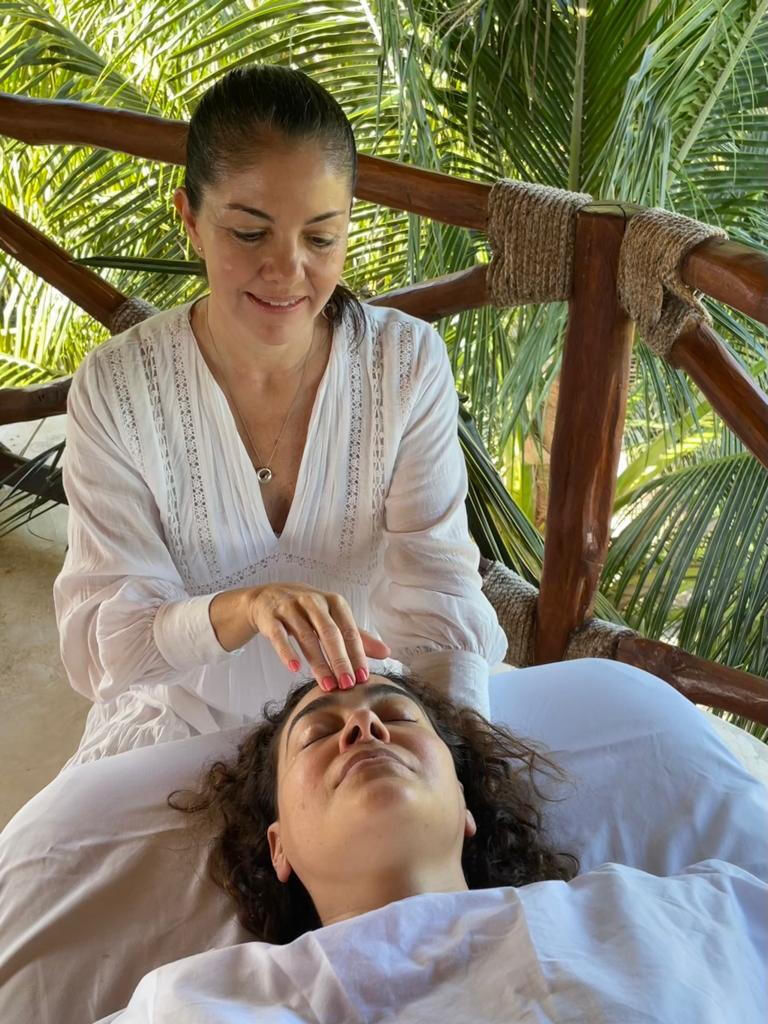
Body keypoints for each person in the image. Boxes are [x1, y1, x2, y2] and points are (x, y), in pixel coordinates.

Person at [52, 63, 507, 768]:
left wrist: (459, 762)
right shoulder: (118, 390)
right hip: (184, 731)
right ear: (190, 220)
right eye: (248, 233)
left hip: (361, 729)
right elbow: (112, 645)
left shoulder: (405, 364)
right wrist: (243, 607)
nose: (288, 270)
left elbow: (438, 593)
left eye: (320, 239)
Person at [94, 671, 767, 1022]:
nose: (363, 726)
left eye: (394, 716)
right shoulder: (189, 1006)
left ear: (466, 807)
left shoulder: (667, 915)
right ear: (279, 848)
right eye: (319, 733)